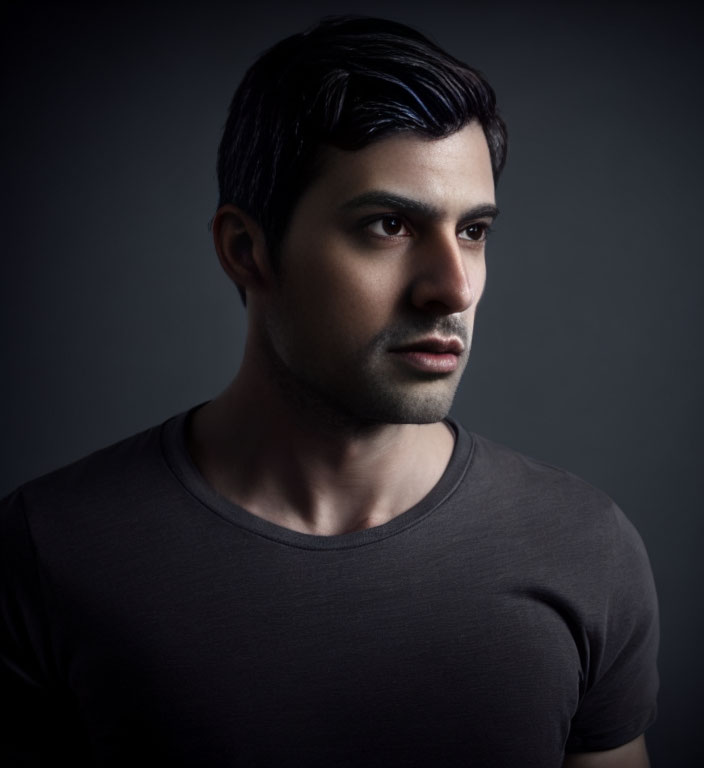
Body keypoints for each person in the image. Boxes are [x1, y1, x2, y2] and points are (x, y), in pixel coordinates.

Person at [0, 16, 658, 767]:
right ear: (247, 250)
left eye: (473, 231)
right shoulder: (51, 553)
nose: (453, 287)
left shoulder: (584, 547)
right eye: (388, 225)